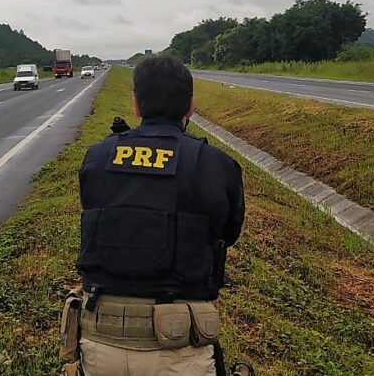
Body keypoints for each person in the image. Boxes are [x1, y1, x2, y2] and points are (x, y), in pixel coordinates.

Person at [65, 55, 245, 376]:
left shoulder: (98, 156)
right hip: (180, 345)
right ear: (191, 107)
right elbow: (228, 233)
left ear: (135, 105)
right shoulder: (216, 165)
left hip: (99, 341)